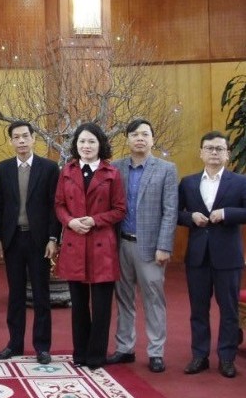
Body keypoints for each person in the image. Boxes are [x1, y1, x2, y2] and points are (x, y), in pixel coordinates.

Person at [107, 119, 178, 373]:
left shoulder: (166, 169)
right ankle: (125, 347)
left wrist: (165, 246)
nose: (140, 138)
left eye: (145, 134)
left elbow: (170, 211)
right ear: (127, 139)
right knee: (123, 298)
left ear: (152, 139)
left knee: (153, 300)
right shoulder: (115, 168)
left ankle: (156, 351)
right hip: (121, 244)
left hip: (150, 247)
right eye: (135, 134)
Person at [54, 122, 125, 369]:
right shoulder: (67, 170)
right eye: (82, 141)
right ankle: (80, 354)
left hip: (101, 245)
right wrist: (70, 221)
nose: (86, 146)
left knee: (102, 306)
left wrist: (95, 220)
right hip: (75, 243)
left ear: (100, 144)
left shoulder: (111, 173)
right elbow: (59, 205)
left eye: (91, 142)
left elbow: (119, 209)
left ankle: (96, 355)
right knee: (79, 306)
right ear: (76, 144)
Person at [177, 131, 246, 379]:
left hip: (228, 257)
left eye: (219, 148)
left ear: (227, 153)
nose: (214, 153)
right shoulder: (188, 182)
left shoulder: (240, 182)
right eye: (209, 148)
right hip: (197, 256)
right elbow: (175, 213)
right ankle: (199, 355)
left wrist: (227, 213)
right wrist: (190, 217)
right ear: (201, 152)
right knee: (198, 309)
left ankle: (227, 358)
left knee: (228, 309)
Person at [0, 121, 59, 365]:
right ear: (11, 141)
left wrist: (53, 238)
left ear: (33, 139)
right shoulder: (3, 168)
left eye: (25, 136)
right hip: (13, 239)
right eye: (16, 137)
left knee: (41, 295)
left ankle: (42, 347)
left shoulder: (49, 168)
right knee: (16, 294)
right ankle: (14, 344)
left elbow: (54, 207)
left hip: (39, 240)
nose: (21, 141)